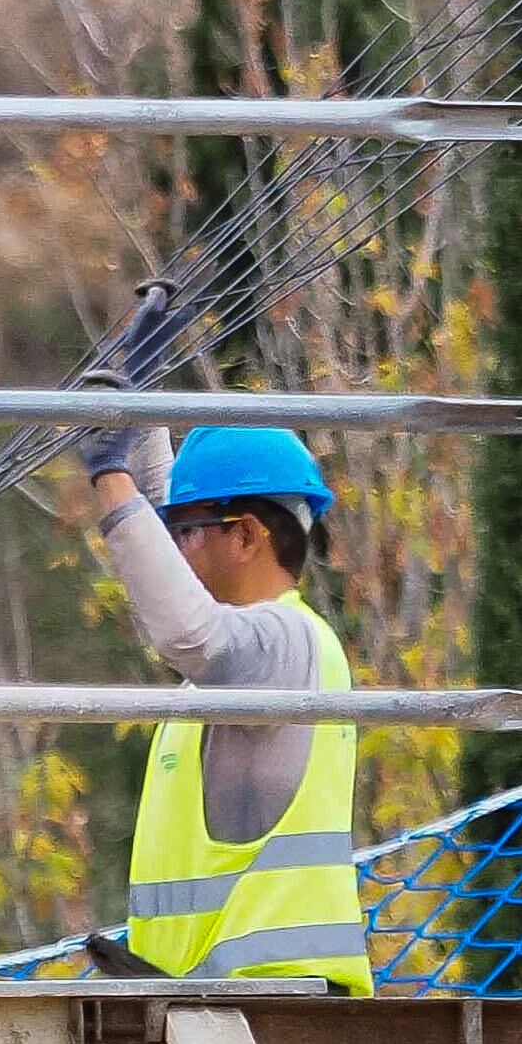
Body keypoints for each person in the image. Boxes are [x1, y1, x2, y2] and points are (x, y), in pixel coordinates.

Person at [75, 422, 372, 994]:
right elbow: (185, 585)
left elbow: (190, 633)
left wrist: (112, 478)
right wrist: (144, 431)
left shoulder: (284, 641)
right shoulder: (243, 665)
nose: (174, 548)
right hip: (216, 999)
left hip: (280, 1005)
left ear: (245, 537)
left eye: (185, 532)